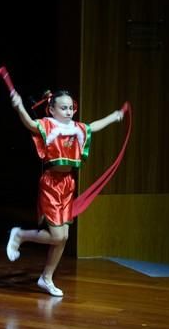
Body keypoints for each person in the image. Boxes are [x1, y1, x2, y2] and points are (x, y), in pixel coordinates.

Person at [6, 89, 123, 297]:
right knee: (57, 235)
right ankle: (20, 235)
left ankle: (46, 278)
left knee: (63, 237)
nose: (69, 111)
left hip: (68, 184)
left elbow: (93, 126)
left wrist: (113, 117)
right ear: (51, 110)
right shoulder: (47, 125)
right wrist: (19, 107)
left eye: (71, 108)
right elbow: (30, 124)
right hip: (51, 184)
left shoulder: (76, 128)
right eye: (63, 108)